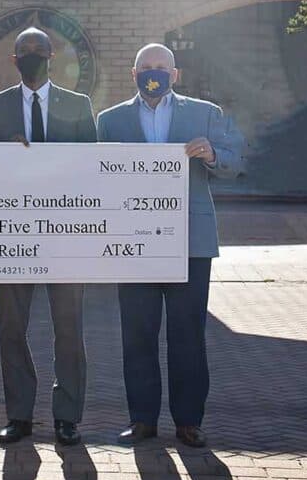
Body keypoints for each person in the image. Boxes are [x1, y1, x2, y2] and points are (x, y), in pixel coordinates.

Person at [96, 43, 243, 448]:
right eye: (146, 68)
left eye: (161, 67)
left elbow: (235, 160)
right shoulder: (109, 121)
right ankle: (142, 420)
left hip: (190, 244)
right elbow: (93, 175)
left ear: (175, 74)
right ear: (134, 73)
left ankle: (188, 421)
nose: (153, 73)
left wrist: (212, 153)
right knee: (137, 334)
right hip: (133, 243)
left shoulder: (205, 114)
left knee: (187, 335)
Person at [0, 27, 97, 446]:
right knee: (12, 327)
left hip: (65, 236)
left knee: (69, 328)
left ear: (52, 55)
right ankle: (19, 416)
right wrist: (4, 157)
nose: (31, 56)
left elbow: (94, 170)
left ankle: (68, 417)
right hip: (14, 234)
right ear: (13, 60)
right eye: (24, 51)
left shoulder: (78, 105)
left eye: (39, 51)